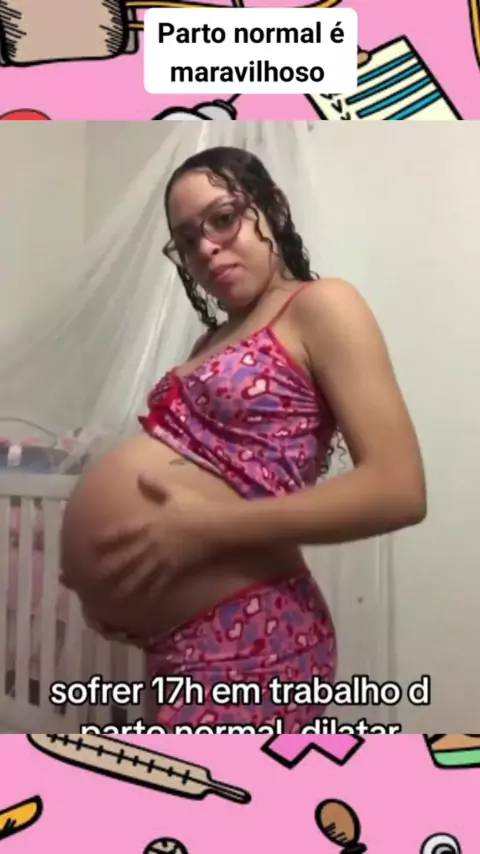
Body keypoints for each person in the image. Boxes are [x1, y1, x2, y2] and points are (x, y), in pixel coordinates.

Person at [62, 146, 427, 732]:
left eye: (223, 219)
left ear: (272, 209)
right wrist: (119, 593)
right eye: (187, 239)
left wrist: (205, 528)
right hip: (181, 642)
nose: (206, 247)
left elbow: (399, 489)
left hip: (255, 637)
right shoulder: (209, 342)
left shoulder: (321, 305)